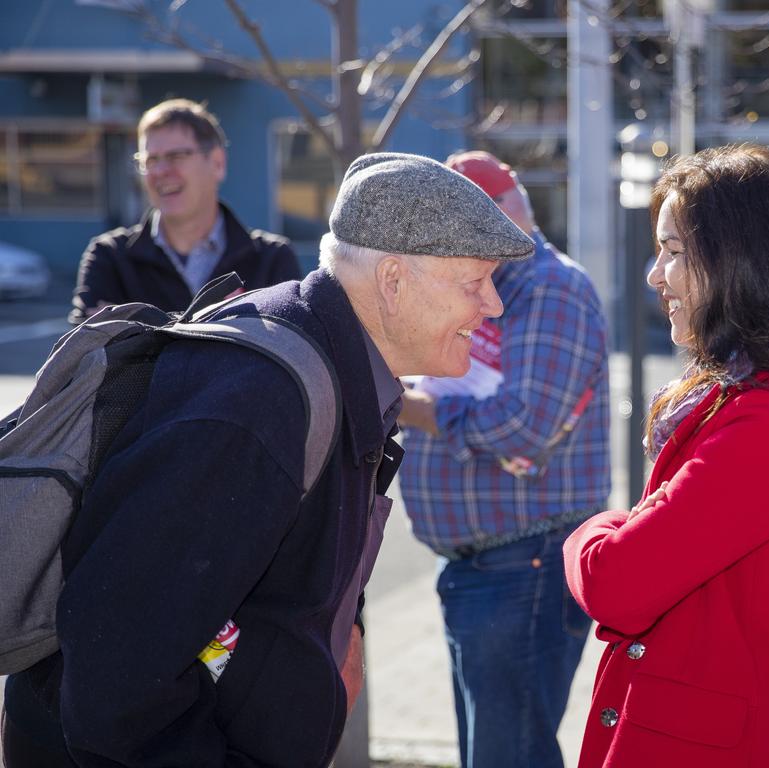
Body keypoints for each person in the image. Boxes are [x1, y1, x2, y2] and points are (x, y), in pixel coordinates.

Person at [2, 152, 534, 767]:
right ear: (393, 281)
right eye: (475, 283)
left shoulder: (323, 362)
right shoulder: (261, 401)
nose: (493, 305)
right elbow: (118, 669)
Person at [563, 145, 769, 768]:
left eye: (674, 251)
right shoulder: (759, 403)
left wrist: (587, 529)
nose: (654, 274)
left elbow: (616, 582)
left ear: (746, 263)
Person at [399, 150, 611, 768]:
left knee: (507, 757)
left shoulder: (549, 288)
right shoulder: (492, 288)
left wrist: (406, 407)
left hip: (526, 565)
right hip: (495, 569)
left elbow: (524, 427)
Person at [69, 98, 300, 323]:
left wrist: (135, 329)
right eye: (150, 160)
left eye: (176, 156)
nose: (160, 171)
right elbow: (87, 355)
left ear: (217, 163)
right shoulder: (110, 258)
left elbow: (288, 354)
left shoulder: (272, 260)